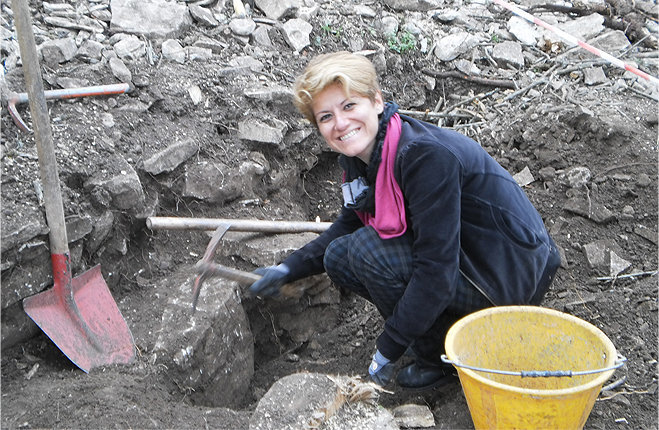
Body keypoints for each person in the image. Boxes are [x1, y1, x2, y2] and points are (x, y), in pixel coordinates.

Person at [248, 51, 561, 390]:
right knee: (339, 255)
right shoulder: (365, 158)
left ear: (377, 102)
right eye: (326, 116)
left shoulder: (424, 157)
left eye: (349, 106)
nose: (339, 123)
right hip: (474, 262)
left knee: (369, 252)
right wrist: (288, 269)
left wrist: (388, 348)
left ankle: (442, 362)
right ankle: (441, 335)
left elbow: (436, 271)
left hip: (507, 276)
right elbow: (347, 224)